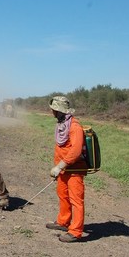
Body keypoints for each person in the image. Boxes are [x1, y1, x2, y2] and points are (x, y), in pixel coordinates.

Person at [46, 96, 87, 243]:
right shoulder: (62, 124)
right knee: (62, 195)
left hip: (74, 170)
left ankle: (75, 232)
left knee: (76, 200)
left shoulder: (74, 126)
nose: (52, 112)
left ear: (59, 111)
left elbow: (75, 151)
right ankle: (63, 222)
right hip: (64, 170)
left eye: (53, 109)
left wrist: (59, 166)